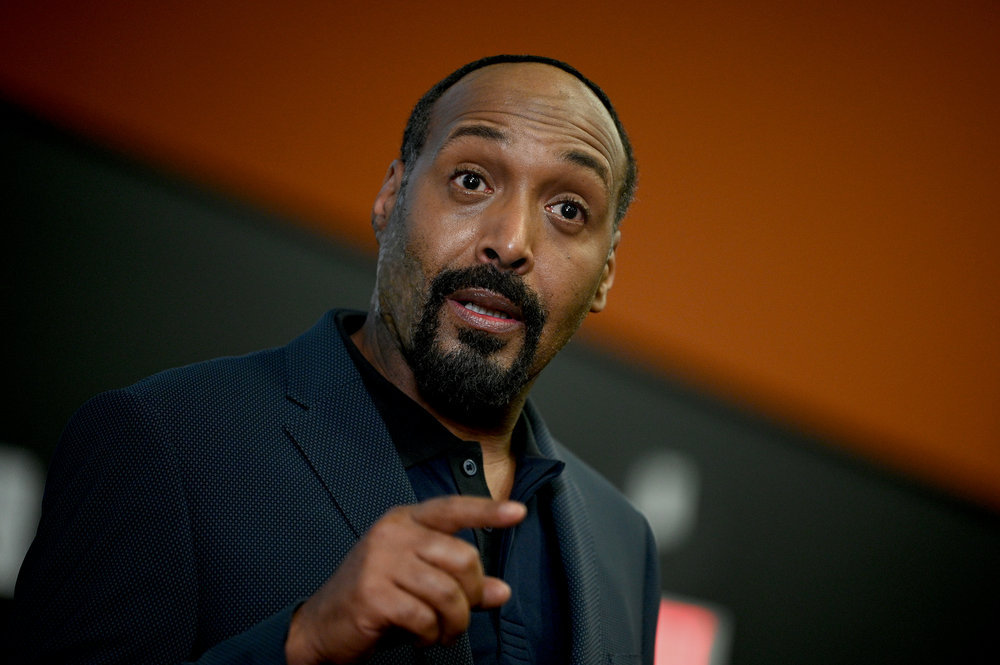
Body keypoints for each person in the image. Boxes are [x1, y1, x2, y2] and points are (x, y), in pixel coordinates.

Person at [13, 54, 660, 664]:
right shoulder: (164, 439)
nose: (512, 240)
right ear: (391, 196)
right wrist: (303, 640)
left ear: (605, 273)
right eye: (471, 180)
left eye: (568, 209)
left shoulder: (623, 541)